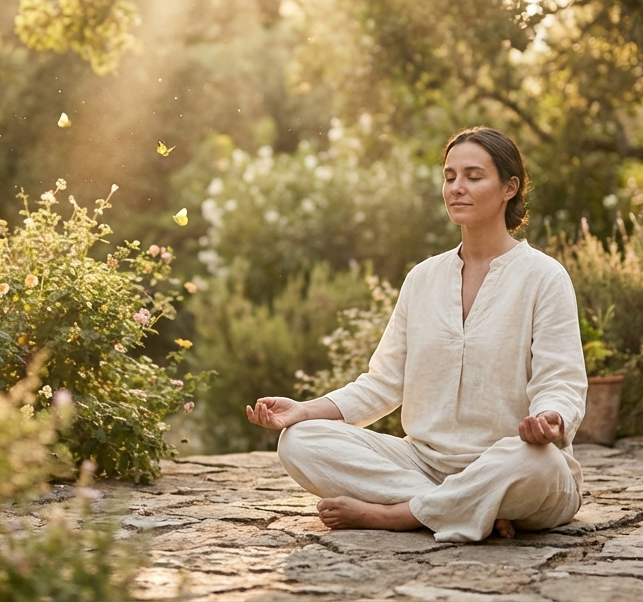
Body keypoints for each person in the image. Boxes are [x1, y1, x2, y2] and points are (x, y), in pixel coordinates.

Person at [245, 126, 587, 542]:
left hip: (510, 459)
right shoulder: (423, 278)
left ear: (509, 188)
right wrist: (305, 410)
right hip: (422, 463)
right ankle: (467, 506)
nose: (457, 188)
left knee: (541, 465)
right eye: (449, 177)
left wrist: (552, 419)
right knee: (299, 441)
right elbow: (383, 383)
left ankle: (399, 515)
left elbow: (561, 380)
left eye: (473, 177)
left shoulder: (544, 277)